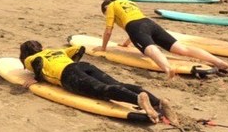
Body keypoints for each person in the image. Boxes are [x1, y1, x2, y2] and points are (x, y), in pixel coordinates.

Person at [19, 41, 177, 124]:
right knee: (119, 84)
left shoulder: (29, 59)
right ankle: (158, 102)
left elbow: (38, 62)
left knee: (103, 90)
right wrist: (73, 63)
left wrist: (36, 78)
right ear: (41, 47)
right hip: (82, 66)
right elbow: (78, 48)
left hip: (68, 75)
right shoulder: (56, 50)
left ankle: (137, 100)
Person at [98, 0, 228, 77]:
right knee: (182, 49)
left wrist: (103, 48)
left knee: (150, 49)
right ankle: (218, 62)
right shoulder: (129, 2)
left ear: (105, 8)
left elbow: (109, 30)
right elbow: (135, 26)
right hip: (149, 23)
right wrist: (126, 44)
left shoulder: (111, 7)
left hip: (135, 27)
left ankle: (167, 69)